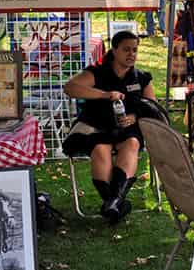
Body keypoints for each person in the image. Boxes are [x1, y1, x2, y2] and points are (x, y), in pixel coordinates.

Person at [63, 30, 155, 223]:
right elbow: (70, 88)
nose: (132, 54)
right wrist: (104, 95)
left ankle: (112, 203)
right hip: (97, 127)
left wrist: (135, 116)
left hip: (127, 129)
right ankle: (114, 203)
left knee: (131, 144)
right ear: (114, 50)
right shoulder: (98, 72)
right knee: (100, 149)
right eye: (126, 50)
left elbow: (152, 107)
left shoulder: (142, 78)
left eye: (135, 50)